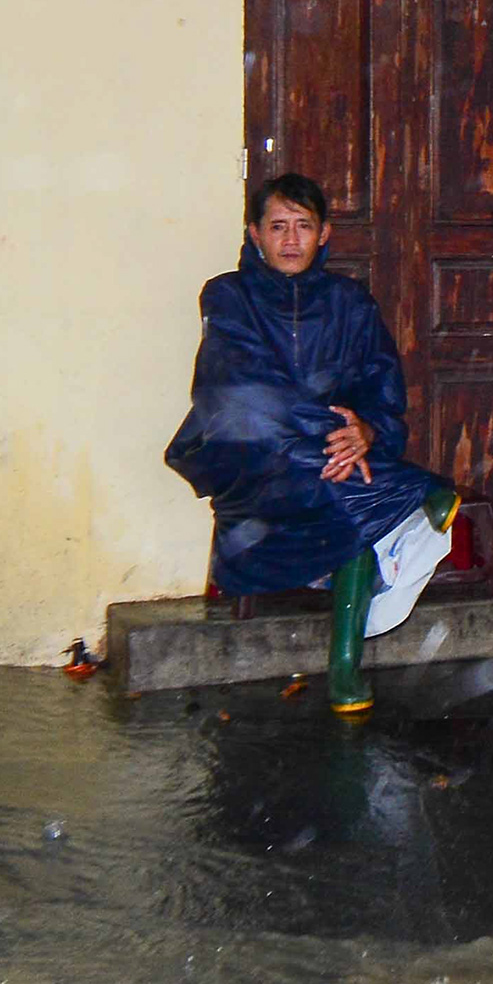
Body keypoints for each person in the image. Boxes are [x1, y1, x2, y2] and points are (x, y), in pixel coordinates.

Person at [163, 173, 463, 714]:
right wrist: (333, 436)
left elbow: (383, 395)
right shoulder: (228, 296)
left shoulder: (351, 304)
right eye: (278, 227)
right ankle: (414, 492)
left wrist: (366, 432)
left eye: (304, 226)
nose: (291, 240)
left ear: (324, 234)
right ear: (254, 233)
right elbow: (240, 389)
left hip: (325, 472)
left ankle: (344, 661)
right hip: (250, 465)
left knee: (344, 480)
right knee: (282, 434)